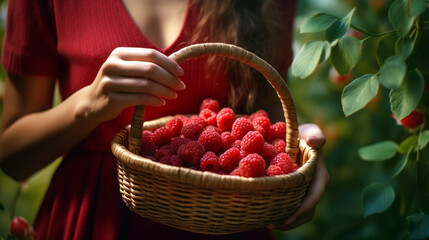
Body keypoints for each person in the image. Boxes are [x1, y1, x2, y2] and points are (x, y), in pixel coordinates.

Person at [0, 0, 329, 239]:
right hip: (95, 217)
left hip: (225, 215)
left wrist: (300, 147)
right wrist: (87, 104)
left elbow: (266, 113)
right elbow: (12, 156)